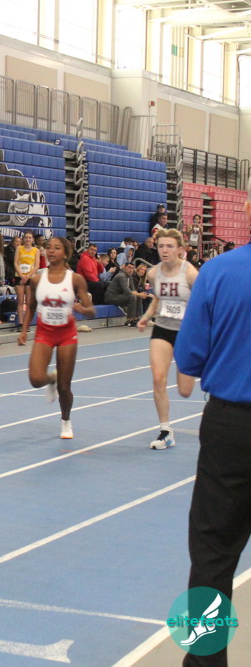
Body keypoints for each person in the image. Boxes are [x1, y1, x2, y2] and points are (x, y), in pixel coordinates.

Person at [174, 212, 251, 667]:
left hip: (231, 427)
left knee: (212, 553)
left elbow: (189, 357)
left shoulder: (219, 272)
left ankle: (204, 661)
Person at [17, 237, 95, 439]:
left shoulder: (75, 279)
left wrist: (81, 309)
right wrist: (24, 330)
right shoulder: (37, 280)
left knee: (64, 386)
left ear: (65, 253)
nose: (51, 251)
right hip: (44, 333)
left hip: (66, 334)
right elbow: (31, 306)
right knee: (36, 379)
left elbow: (91, 311)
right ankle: (51, 378)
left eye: (56, 248)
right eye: (48, 248)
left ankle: (65, 421)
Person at [137, 228, 199, 450]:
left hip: (185, 333)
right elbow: (157, 299)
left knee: (185, 390)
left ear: (180, 249)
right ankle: (165, 431)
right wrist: (146, 317)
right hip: (162, 329)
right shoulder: (154, 273)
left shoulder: (190, 273)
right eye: (161, 246)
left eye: (169, 246)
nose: (164, 250)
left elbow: (202, 303)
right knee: (158, 378)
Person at [104, 261, 144, 326]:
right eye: (129, 267)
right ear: (124, 267)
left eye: (132, 268)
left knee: (138, 296)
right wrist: (139, 294)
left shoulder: (129, 277)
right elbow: (127, 291)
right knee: (132, 297)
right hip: (111, 297)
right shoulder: (121, 276)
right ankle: (129, 320)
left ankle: (136, 318)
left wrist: (141, 294)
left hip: (120, 296)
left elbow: (133, 290)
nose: (131, 270)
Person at [14, 231, 40, 325]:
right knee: (20, 301)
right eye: (26, 237)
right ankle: (21, 323)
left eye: (30, 238)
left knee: (29, 302)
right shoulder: (19, 248)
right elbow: (15, 263)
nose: (28, 239)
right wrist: (21, 275)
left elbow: (37, 265)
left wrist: (28, 276)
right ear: (23, 239)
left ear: (33, 239)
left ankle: (26, 323)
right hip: (19, 276)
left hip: (30, 277)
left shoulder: (36, 250)